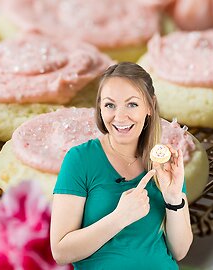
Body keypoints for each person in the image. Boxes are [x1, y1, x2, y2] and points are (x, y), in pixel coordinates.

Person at [50, 62, 192, 269]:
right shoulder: (80, 159)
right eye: (110, 105)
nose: (120, 116)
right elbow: (61, 251)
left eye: (132, 104)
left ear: (150, 106)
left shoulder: (165, 163)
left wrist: (173, 198)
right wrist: (119, 218)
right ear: (100, 107)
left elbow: (180, 250)